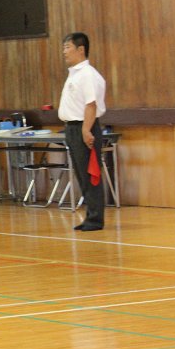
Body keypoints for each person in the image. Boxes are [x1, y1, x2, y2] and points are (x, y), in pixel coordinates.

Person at [59, 32, 107, 232]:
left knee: (90, 174)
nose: (64, 52)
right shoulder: (75, 74)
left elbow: (91, 104)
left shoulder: (88, 74)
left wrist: (86, 130)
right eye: (63, 47)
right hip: (72, 128)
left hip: (84, 127)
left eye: (68, 47)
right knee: (81, 174)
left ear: (81, 49)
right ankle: (90, 216)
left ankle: (95, 219)